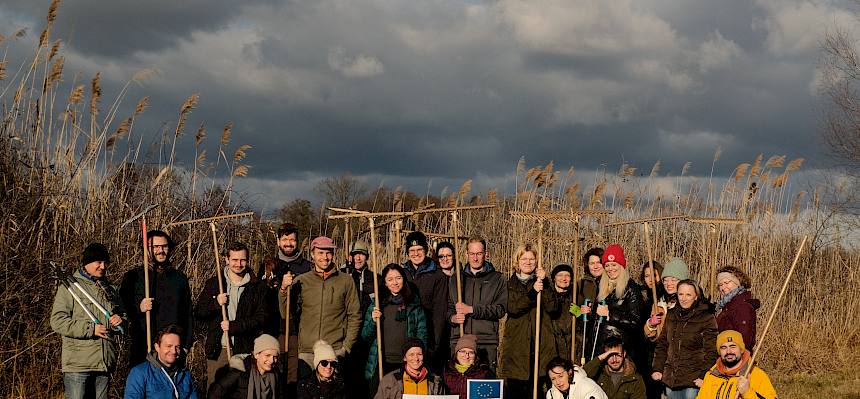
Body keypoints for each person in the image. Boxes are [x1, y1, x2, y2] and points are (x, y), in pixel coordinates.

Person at [51, 243, 127, 399]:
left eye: (105, 262)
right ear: (86, 263)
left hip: (104, 363)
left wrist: (121, 320)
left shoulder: (110, 288)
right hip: (78, 365)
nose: (103, 266)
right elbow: (57, 321)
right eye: (98, 262)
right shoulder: (70, 287)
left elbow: (123, 315)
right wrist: (91, 330)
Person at [280, 236, 361, 377]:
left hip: (333, 351)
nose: (325, 257)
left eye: (328, 252)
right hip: (307, 352)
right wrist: (283, 290)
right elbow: (286, 312)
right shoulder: (301, 281)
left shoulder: (346, 281)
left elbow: (355, 315)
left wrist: (346, 347)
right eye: (320, 253)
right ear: (312, 254)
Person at [195, 241, 268, 390]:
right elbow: (199, 313)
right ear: (227, 259)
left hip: (245, 350)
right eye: (234, 260)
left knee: (242, 391)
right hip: (219, 351)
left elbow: (262, 317)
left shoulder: (257, 287)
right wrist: (216, 304)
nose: (238, 264)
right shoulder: (215, 284)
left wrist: (234, 326)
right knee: (216, 392)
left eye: (242, 260)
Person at [120, 230, 193, 366]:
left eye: (164, 246)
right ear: (146, 249)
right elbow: (122, 309)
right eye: (155, 247)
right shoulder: (133, 277)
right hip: (143, 346)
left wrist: (186, 345)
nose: (161, 250)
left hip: (173, 349)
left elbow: (187, 314)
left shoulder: (179, 278)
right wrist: (139, 307)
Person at [498, 244, 560, 397]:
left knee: (537, 390)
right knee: (516, 390)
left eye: (532, 258)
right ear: (517, 261)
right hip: (517, 348)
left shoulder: (543, 282)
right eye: (524, 258)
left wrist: (544, 284)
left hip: (540, 346)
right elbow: (513, 307)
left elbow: (553, 308)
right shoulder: (509, 284)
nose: (528, 262)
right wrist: (532, 293)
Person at [258, 222, 312, 389]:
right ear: (278, 241)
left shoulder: (307, 266)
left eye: (292, 240)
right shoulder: (269, 265)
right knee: (274, 372)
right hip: (274, 328)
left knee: (294, 374)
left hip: (297, 329)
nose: (288, 243)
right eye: (284, 239)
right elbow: (261, 295)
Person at [362, 264, 428, 384]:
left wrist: (415, 357)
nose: (395, 282)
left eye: (398, 278)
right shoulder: (377, 304)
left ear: (403, 279)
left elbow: (422, 336)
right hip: (381, 362)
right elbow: (365, 336)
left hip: (406, 364)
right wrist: (372, 321)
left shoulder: (414, 305)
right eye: (390, 279)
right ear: (385, 283)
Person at [447, 236, 506, 369]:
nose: (475, 258)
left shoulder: (497, 279)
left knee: (484, 386)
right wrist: (453, 318)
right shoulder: (456, 279)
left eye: (479, 254)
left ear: (486, 254)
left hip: (485, 342)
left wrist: (472, 310)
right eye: (472, 254)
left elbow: (500, 309)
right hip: (460, 341)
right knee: (459, 385)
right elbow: (449, 308)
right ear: (466, 254)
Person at [652, 280, 718, 399]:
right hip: (671, 379)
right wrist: (658, 368)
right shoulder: (671, 314)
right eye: (681, 294)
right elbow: (662, 344)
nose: (684, 298)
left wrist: (704, 375)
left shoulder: (706, 317)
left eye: (688, 295)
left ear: (696, 296)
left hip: (693, 379)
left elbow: (711, 351)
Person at [402, 231, 449, 371]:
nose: (416, 254)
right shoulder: (403, 274)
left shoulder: (437, 275)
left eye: (420, 249)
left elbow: (440, 313)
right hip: (407, 333)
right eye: (412, 250)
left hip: (428, 335)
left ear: (426, 250)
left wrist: (433, 344)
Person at [591, 245, 643, 369]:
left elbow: (635, 320)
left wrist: (610, 315)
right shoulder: (602, 287)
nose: (610, 269)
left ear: (621, 266)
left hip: (621, 349)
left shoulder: (631, 288)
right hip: (601, 347)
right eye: (607, 265)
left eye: (614, 264)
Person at [341, 239, 380, 396]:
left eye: (361, 255)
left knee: (365, 374)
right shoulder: (343, 275)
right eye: (355, 255)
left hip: (367, 334)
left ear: (367, 257)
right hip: (346, 333)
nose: (358, 258)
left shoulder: (375, 278)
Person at [124, 325, 199, 399]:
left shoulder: (185, 374)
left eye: (177, 347)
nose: (174, 351)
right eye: (169, 346)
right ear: (157, 347)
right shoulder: (140, 373)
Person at [695, 330, 776, 399]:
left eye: (733, 346)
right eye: (723, 347)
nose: (728, 351)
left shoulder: (756, 375)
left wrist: (747, 392)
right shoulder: (711, 376)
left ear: (741, 350)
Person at [208, 334, 282, 399]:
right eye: (267, 355)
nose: (272, 360)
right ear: (256, 355)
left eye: (275, 357)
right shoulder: (240, 371)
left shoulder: (275, 374)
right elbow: (215, 392)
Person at [376, 338, 445, 399]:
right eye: (411, 354)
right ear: (404, 358)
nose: (416, 358)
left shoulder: (436, 382)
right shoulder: (389, 380)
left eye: (419, 354)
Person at [583, 334, 646, 399]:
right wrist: (600, 358)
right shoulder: (598, 374)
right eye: (610, 355)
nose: (614, 360)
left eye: (617, 355)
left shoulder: (635, 379)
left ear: (624, 354)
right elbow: (581, 376)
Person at [644, 257, 689, 342]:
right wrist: (650, 324)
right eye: (665, 280)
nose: (669, 284)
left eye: (673, 280)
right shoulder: (659, 304)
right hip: (663, 351)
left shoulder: (690, 303)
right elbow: (651, 336)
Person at [637, 260, 665, 399]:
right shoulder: (642, 296)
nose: (651, 279)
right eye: (647, 276)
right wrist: (649, 324)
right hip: (646, 351)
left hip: (660, 350)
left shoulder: (663, 296)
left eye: (654, 275)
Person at [715, 266, 759, 350]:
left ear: (737, 282)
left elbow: (745, 341)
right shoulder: (726, 306)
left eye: (727, 282)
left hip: (736, 359)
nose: (723, 288)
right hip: (726, 357)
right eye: (720, 285)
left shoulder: (743, 307)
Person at [443, 334, 495, 399]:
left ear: (475, 356)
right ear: (456, 353)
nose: (467, 356)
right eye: (463, 351)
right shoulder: (446, 372)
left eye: (471, 352)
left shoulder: (485, 373)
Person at [576, 247, 603, 363]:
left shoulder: (611, 283)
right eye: (592, 263)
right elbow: (571, 308)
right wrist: (580, 311)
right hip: (586, 335)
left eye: (598, 262)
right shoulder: (581, 284)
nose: (595, 266)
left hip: (604, 333)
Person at [549, 263, 575, 363]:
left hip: (571, 347)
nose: (563, 278)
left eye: (567, 275)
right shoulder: (548, 297)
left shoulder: (575, 296)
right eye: (560, 275)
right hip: (552, 348)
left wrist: (579, 312)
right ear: (554, 278)